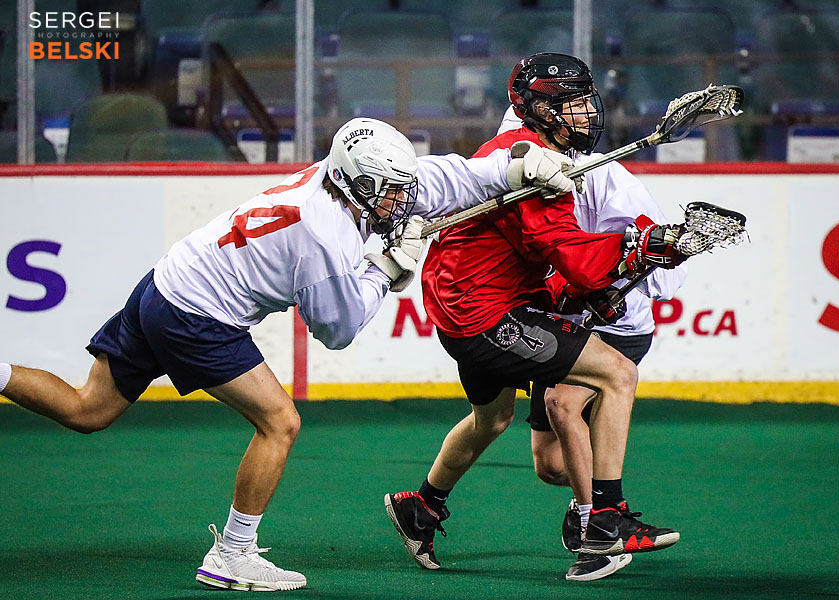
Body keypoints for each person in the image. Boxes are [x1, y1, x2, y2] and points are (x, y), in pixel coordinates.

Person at [0, 117, 578, 592]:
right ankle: (232, 554)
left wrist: (515, 166)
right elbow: (339, 329)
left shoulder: (343, 177)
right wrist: (386, 268)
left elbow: (439, 178)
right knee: (279, 422)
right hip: (197, 316)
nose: (402, 199)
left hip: (166, 282)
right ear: (362, 185)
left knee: (87, 409)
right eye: (391, 192)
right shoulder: (324, 236)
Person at [385, 53, 685, 581]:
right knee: (618, 374)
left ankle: (422, 506)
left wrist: (618, 260)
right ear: (535, 109)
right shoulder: (535, 164)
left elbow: (542, 254)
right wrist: (639, 248)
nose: (584, 115)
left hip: (460, 304)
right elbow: (575, 259)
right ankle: (604, 519)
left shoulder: (521, 149)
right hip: (486, 314)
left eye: (585, 101)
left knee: (492, 419)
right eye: (568, 105)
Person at [497, 105, 689, 580]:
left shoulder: (611, 181)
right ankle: (590, 510)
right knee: (550, 466)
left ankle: (598, 526)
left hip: (617, 328)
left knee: (564, 404)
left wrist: (616, 282)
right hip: (562, 320)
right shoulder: (508, 184)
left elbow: (671, 271)